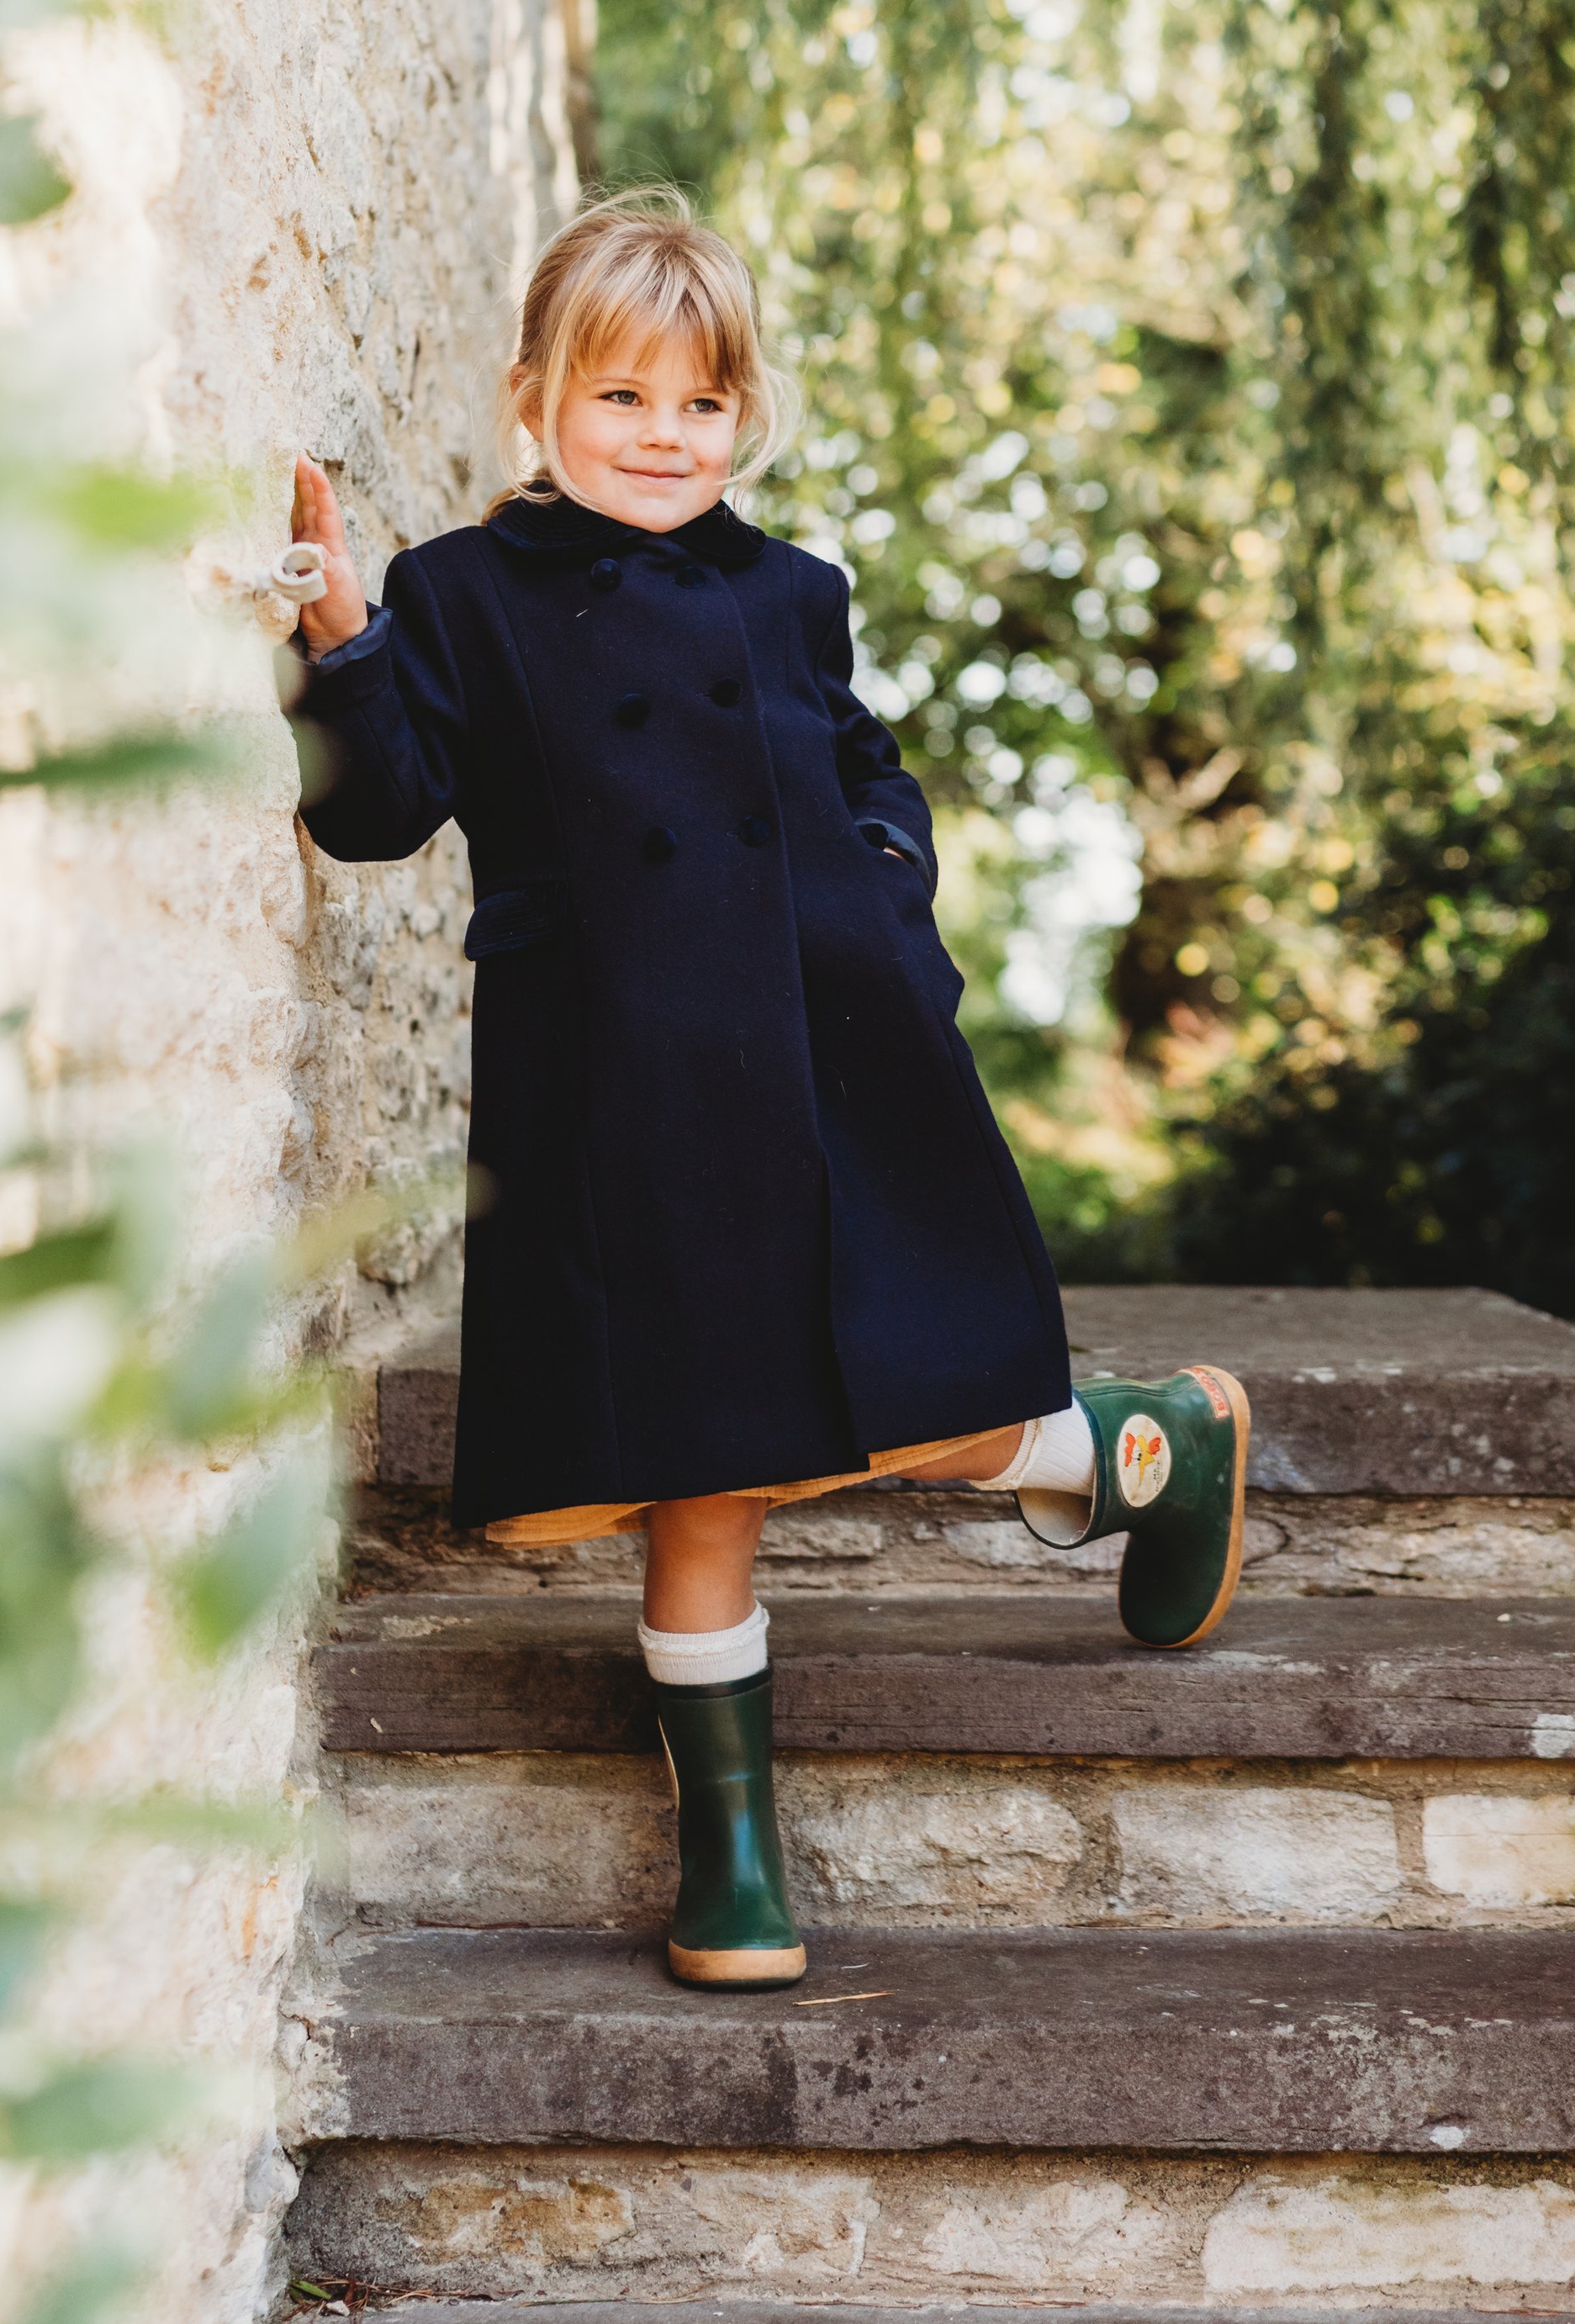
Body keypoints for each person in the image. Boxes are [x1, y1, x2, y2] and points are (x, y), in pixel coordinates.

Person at [283, 190, 1250, 1992]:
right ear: (535, 401)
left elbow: (862, 758)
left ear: (746, 416)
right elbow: (374, 811)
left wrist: (889, 894)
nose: (664, 439)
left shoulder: (789, 591)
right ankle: (732, 1851)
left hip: (826, 1053)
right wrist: (341, 645)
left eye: (701, 406)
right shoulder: (459, 592)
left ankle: (1131, 1443)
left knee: (904, 1394)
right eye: (621, 400)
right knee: (689, 1471)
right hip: (609, 1084)